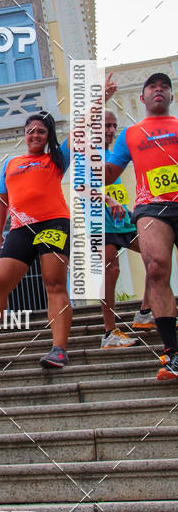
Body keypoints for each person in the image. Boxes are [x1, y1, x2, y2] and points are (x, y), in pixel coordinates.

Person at [0, 111, 73, 372]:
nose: (35, 135)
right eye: (31, 130)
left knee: (54, 283)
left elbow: (80, 130)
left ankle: (58, 349)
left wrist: (99, 100)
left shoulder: (56, 159)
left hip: (53, 223)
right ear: (24, 134)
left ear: (48, 136)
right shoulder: (11, 163)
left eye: (41, 131)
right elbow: (2, 201)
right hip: (20, 228)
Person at [106, 71, 178, 380]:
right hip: (151, 208)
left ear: (171, 96)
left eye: (164, 87)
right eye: (152, 87)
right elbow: (109, 173)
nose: (158, 90)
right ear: (142, 97)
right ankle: (173, 353)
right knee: (157, 266)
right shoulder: (131, 134)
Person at [101, 109, 154, 347]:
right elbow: (81, 185)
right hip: (100, 220)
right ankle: (109, 332)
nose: (111, 131)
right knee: (111, 271)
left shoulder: (113, 155)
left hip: (123, 219)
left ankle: (144, 311)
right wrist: (108, 200)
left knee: (156, 255)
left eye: (113, 126)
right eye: (106, 126)